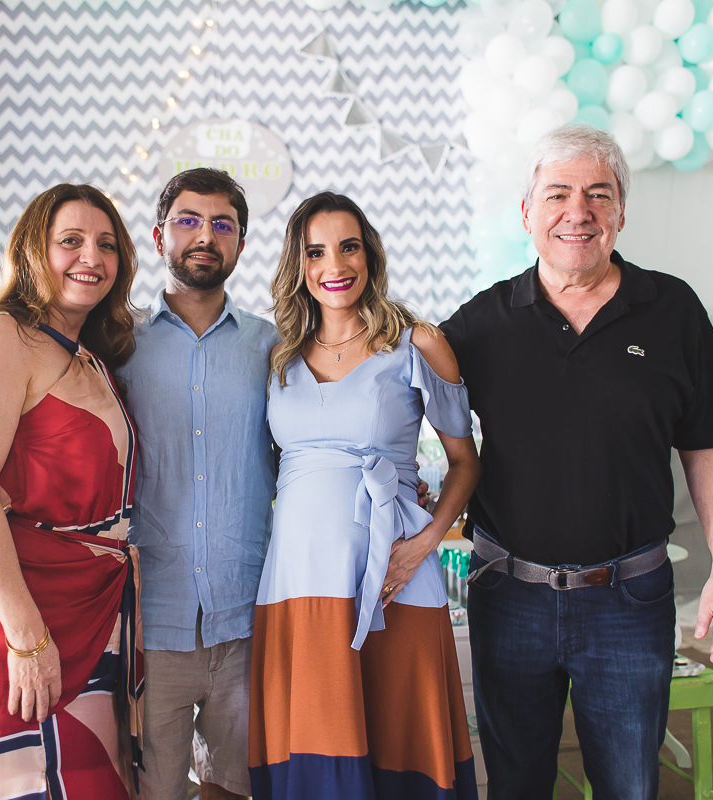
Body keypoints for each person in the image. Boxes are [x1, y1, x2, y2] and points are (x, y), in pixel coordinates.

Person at [439, 125, 713, 800]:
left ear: (621, 213)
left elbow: (707, 446)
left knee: (629, 784)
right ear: (527, 212)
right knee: (516, 785)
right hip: (508, 595)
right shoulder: (481, 322)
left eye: (598, 194)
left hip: (629, 599)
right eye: (558, 194)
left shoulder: (673, 310)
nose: (577, 212)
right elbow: (401, 398)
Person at [0, 183, 143, 799]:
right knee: (16, 779)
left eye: (106, 245)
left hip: (91, 604)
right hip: (20, 608)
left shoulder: (90, 353)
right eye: (71, 240)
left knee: (88, 775)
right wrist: (26, 636)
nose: (91, 257)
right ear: (32, 250)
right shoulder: (0, 336)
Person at [250, 192, 481, 799]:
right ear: (299, 265)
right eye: (316, 252)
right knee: (315, 742)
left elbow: (465, 462)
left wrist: (425, 543)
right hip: (299, 574)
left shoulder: (417, 343)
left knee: (401, 738)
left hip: (392, 573)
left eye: (348, 247)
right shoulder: (278, 357)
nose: (335, 265)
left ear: (370, 255)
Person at [116, 168, 278, 800]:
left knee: (234, 790)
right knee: (154, 791)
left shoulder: (272, 345)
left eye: (222, 225)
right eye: (188, 221)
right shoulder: (117, 342)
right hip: (150, 621)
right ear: (160, 237)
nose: (205, 236)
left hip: (246, 617)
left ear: (240, 243)